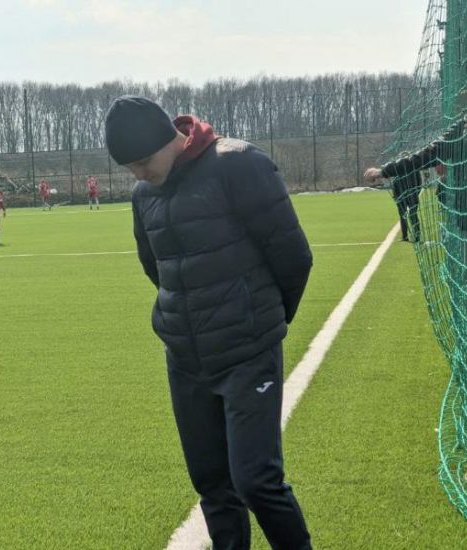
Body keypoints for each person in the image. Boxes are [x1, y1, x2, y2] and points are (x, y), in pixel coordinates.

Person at [105, 96, 313, 550]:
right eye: (129, 168)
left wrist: (261, 323)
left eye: (142, 162)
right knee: (213, 486)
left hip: (247, 351)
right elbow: (155, 267)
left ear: (168, 140)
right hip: (185, 358)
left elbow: (294, 256)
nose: (138, 174)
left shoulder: (238, 165)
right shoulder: (144, 196)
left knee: (257, 481)